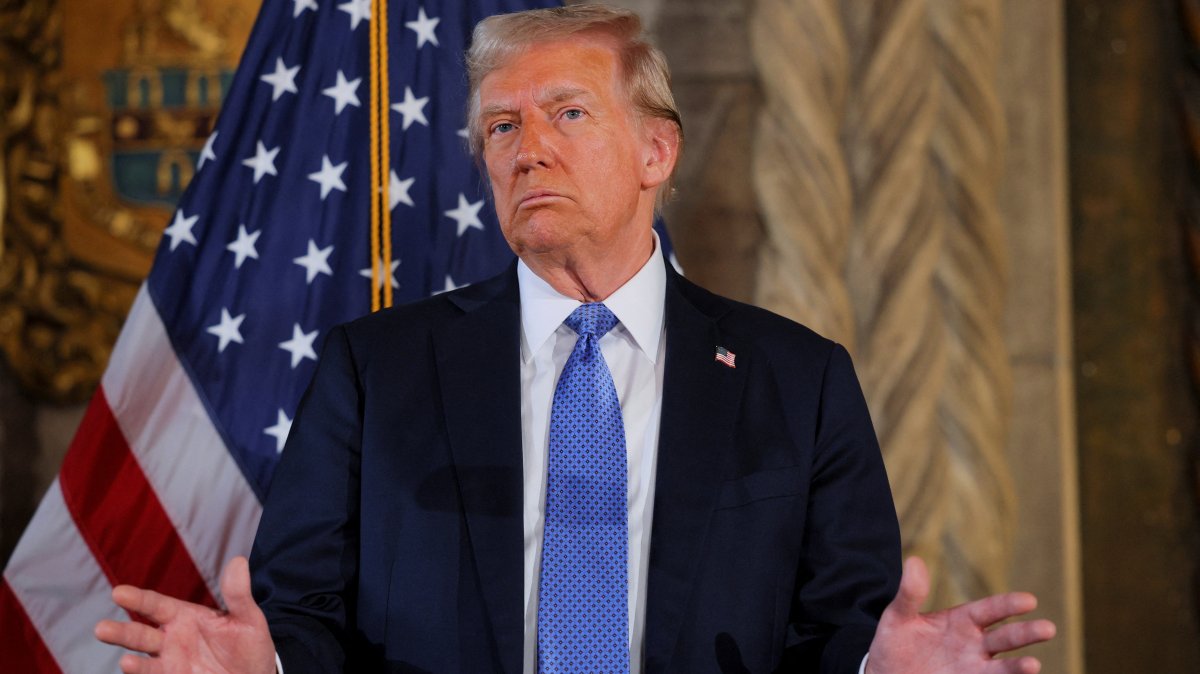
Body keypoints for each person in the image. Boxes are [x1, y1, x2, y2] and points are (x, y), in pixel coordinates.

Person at [95, 5, 1056, 673]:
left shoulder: (797, 380)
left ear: (656, 151)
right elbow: (304, 616)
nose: (528, 149)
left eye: (568, 114)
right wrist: (259, 663)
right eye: (503, 128)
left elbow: (842, 620)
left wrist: (868, 668)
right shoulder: (375, 371)